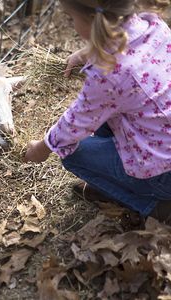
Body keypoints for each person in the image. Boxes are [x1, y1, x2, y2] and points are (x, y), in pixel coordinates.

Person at [24, 0, 171, 224]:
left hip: (163, 175)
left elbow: (74, 124)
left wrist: (42, 148)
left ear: (93, 21)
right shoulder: (153, 25)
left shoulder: (108, 72)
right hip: (162, 138)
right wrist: (87, 53)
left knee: (72, 153)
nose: (72, 25)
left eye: (72, 18)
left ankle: (156, 206)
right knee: (108, 117)